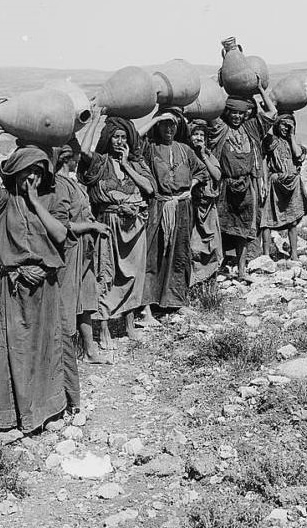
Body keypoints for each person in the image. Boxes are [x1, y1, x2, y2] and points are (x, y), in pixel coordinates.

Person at [0, 124, 68, 432]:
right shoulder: (2, 203)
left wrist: (36, 202)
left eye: (38, 173)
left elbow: (61, 235)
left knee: (43, 349)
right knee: (10, 349)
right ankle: (9, 415)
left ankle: (43, 409)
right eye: (28, 172)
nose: (33, 178)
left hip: (45, 287)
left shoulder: (48, 203)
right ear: (15, 174)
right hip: (14, 289)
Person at [79, 109, 154, 349]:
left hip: (134, 227)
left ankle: (129, 324)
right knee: (106, 273)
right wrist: (93, 121)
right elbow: (83, 151)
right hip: (109, 224)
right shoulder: (100, 163)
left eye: (124, 137)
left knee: (133, 274)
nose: (120, 142)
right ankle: (103, 329)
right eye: (116, 137)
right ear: (108, 138)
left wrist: (127, 165)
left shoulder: (136, 163)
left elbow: (149, 189)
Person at [138, 108, 208, 315]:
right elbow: (135, 140)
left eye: (172, 125)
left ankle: (175, 301)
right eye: (164, 124)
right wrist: (158, 117)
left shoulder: (185, 149)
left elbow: (202, 171)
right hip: (158, 206)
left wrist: (189, 188)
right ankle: (147, 306)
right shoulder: (150, 149)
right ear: (158, 126)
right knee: (154, 252)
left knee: (179, 252)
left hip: (182, 207)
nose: (168, 128)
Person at [208, 79, 277, 281]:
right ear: (227, 113)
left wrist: (261, 90)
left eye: (240, 112)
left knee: (245, 228)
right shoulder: (221, 128)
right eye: (233, 112)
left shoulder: (251, 128)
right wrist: (217, 87)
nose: (236, 116)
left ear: (245, 113)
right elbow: (211, 111)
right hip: (225, 186)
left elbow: (272, 113)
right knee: (221, 225)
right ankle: (218, 267)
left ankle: (242, 269)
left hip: (247, 186)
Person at [53, 143, 111, 368]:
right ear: (69, 159)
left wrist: (92, 224)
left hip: (84, 249)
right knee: (67, 300)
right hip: (69, 250)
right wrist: (91, 227)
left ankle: (89, 350)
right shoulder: (59, 185)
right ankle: (63, 358)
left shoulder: (71, 182)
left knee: (86, 298)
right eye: (76, 156)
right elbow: (62, 224)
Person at [260, 113, 307, 261]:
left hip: (292, 183)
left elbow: (297, 154)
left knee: (293, 219)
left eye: (289, 126)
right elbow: (264, 160)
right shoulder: (271, 142)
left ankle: (294, 254)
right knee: (267, 219)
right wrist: (265, 180)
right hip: (276, 182)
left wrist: (292, 136)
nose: (286, 128)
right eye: (283, 124)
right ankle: (266, 255)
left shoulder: (295, 142)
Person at [188, 119, 223, 285]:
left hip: (209, 207)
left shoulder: (209, 155)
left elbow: (216, 176)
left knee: (212, 243)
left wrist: (203, 156)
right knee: (194, 244)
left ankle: (209, 278)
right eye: (195, 134)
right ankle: (195, 279)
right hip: (192, 206)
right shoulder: (186, 154)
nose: (198, 138)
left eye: (202, 135)